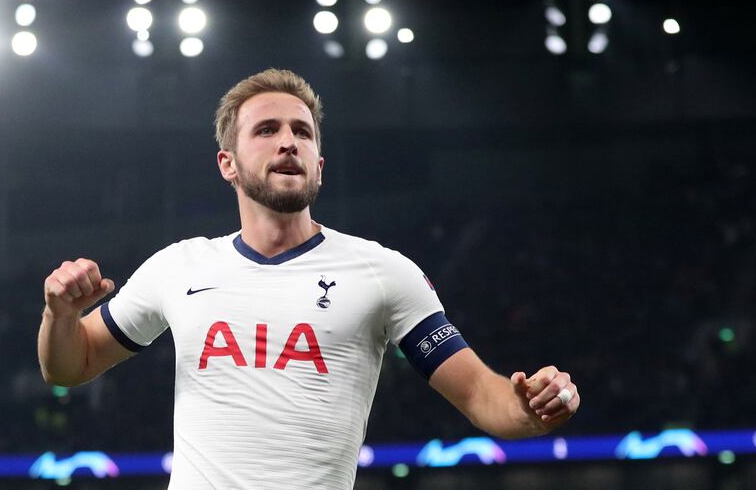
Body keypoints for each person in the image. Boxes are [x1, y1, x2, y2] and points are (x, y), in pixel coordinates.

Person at [38, 69, 580, 489]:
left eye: (303, 132)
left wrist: (532, 407)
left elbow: (483, 397)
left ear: (319, 164)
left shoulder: (383, 273)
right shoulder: (179, 267)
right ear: (228, 163)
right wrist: (59, 316)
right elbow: (71, 364)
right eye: (267, 130)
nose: (289, 142)